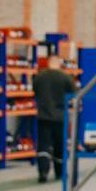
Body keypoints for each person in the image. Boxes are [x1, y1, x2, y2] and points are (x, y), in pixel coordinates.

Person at [31, 54, 74, 184]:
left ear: (48, 63)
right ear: (59, 63)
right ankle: (59, 172)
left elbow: (35, 91)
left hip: (43, 116)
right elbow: (73, 95)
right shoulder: (65, 77)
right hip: (60, 117)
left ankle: (43, 172)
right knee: (59, 146)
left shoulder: (39, 77)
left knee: (43, 145)